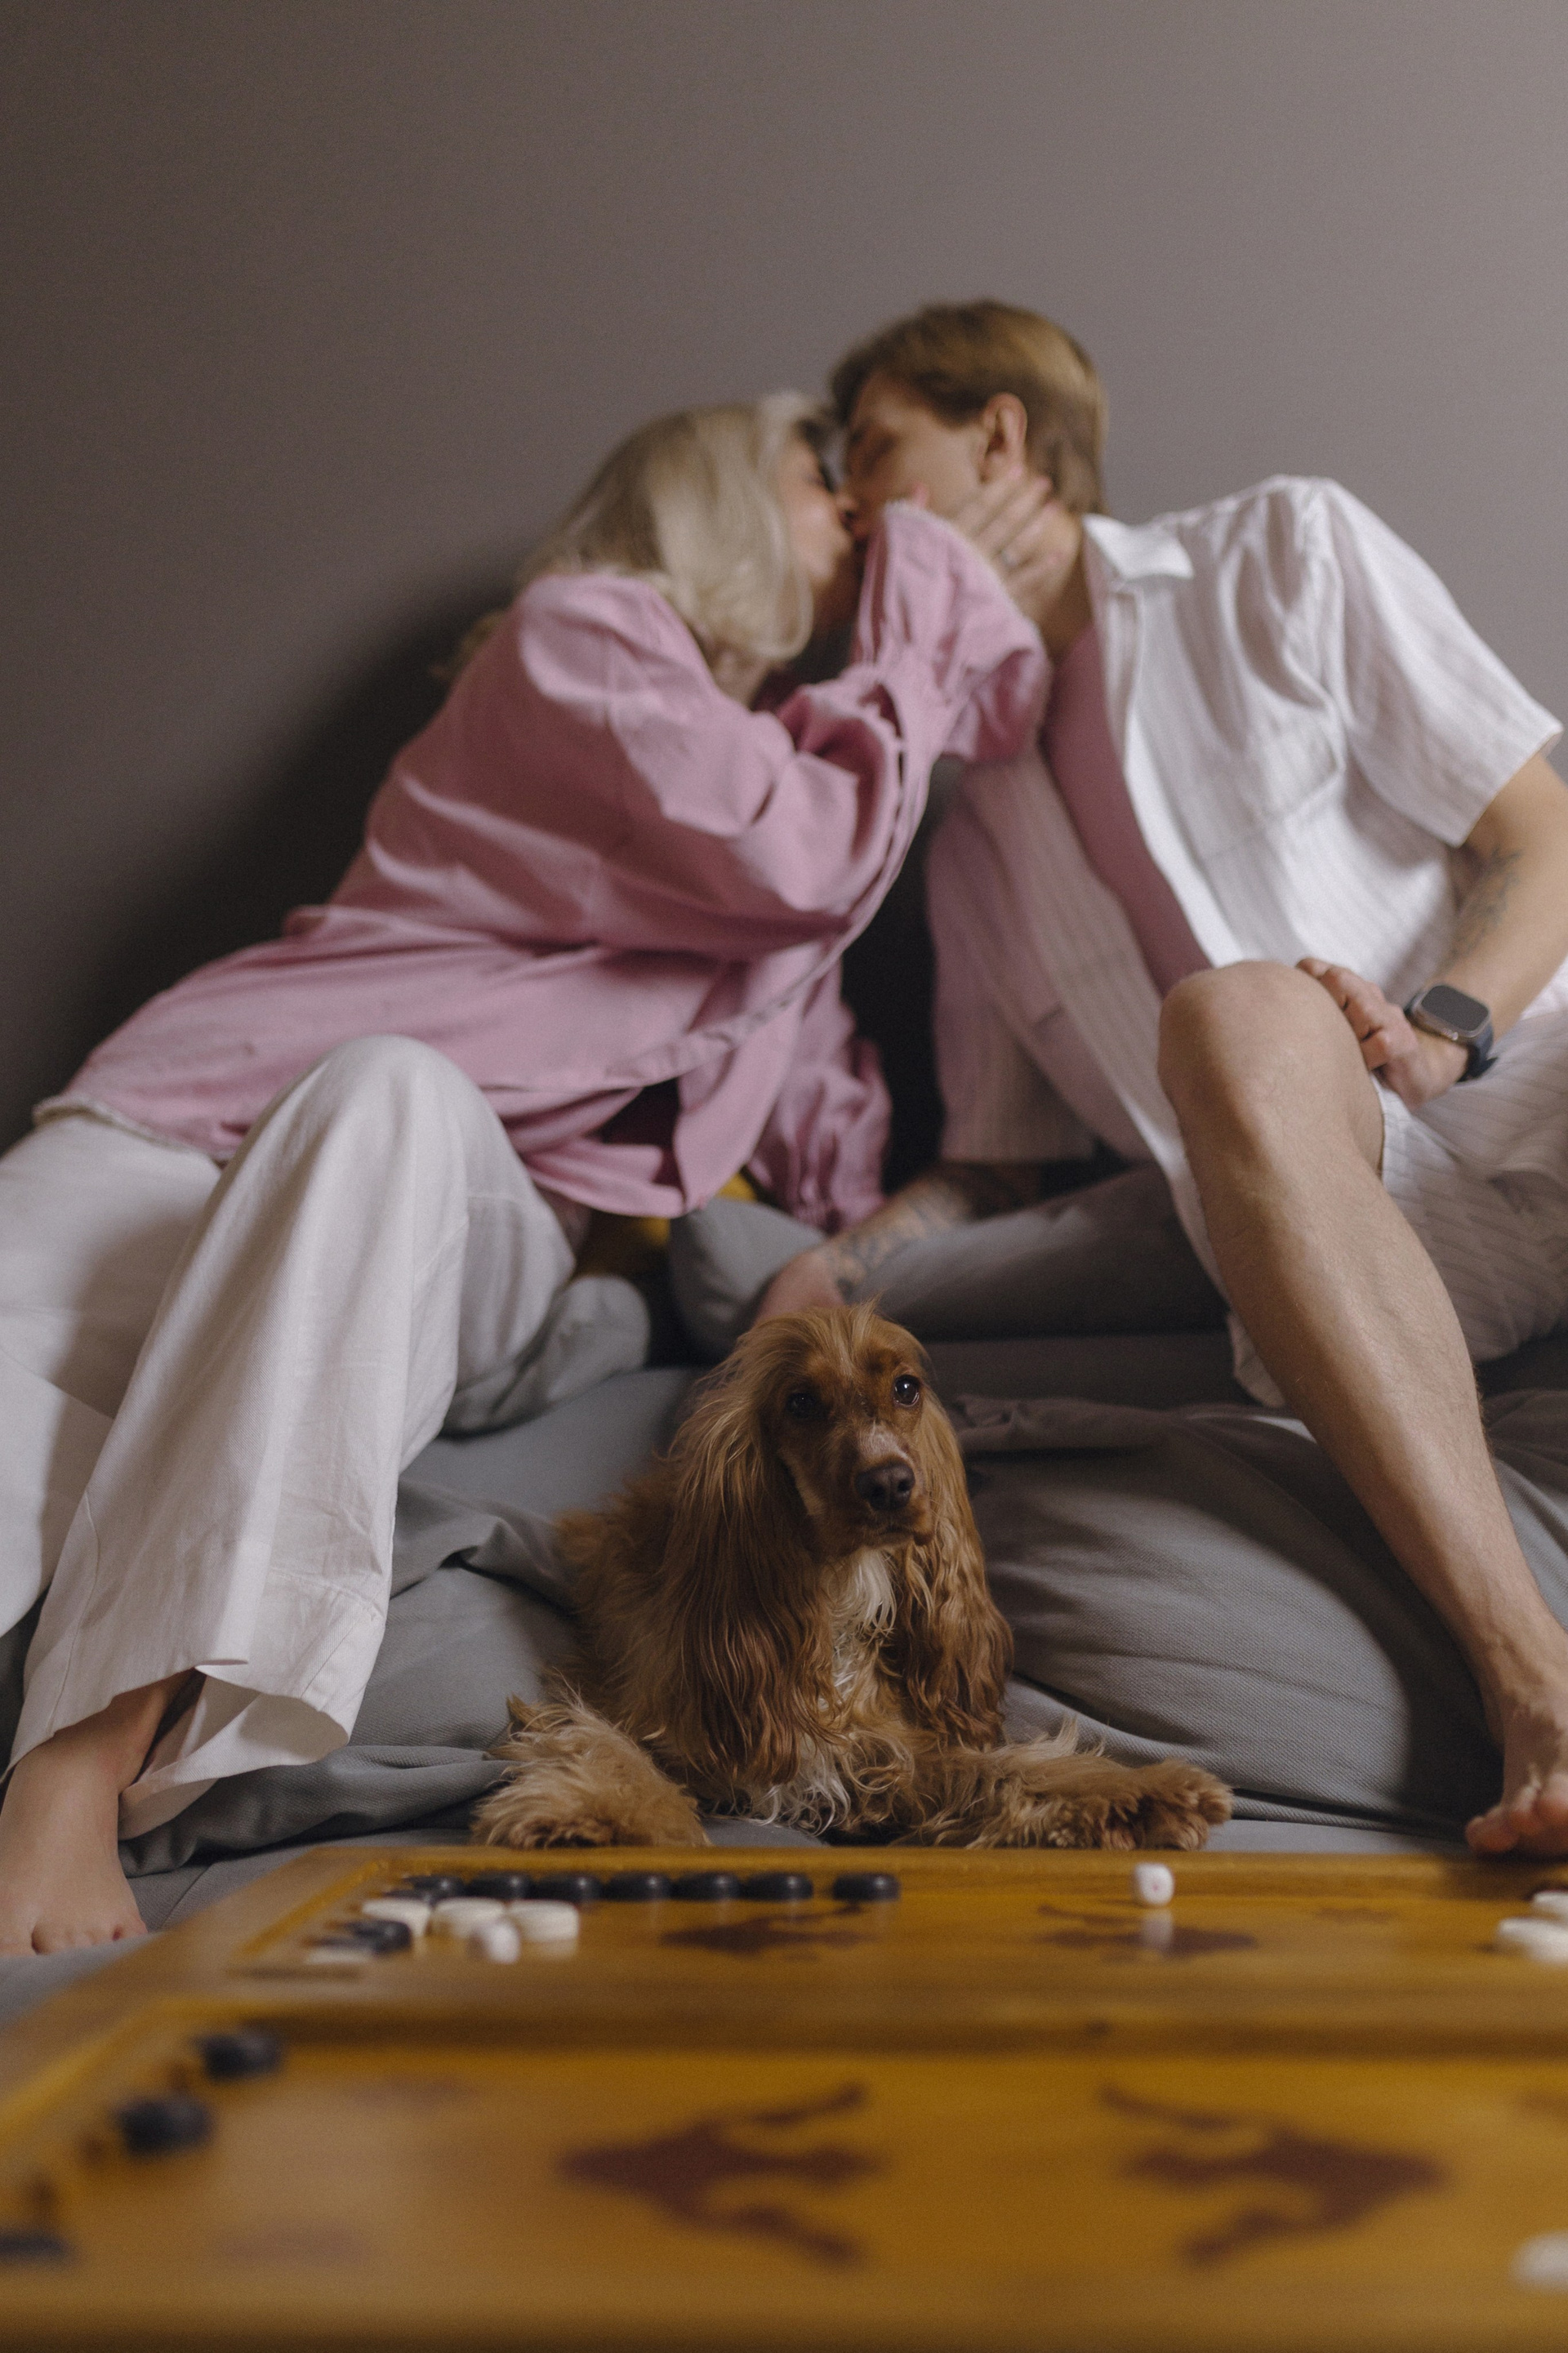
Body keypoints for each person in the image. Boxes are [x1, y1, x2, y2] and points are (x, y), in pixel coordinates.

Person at [0, 391, 1048, 1954]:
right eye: (819, 478)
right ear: (711, 499)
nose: (856, 512)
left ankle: (78, 1774)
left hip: (430, 1186)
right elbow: (794, 847)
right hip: (175, 1124)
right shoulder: (584, 635)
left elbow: (826, 1134)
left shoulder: (785, 855)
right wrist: (933, 597)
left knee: (385, 1093)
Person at [758, 299, 1568, 1857]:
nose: (853, 512)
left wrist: (1439, 1025)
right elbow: (998, 1165)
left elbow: (1543, 834)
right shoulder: (971, 833)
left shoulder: (1279, 553)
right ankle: (1537, 1682)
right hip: (1340, 1235)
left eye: (875, 452)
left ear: (1000, 434)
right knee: (1231, 1019)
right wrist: (843, 1268)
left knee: (1252, 1009)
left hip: (1523, 1076)